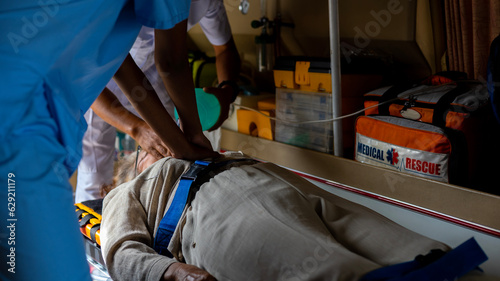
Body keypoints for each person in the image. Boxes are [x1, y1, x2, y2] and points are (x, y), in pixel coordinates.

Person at [0, 0, 218, 280]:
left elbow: (121, 66)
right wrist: (189, 139)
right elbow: (172, 61)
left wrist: (175, 141)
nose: (163, 156)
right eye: (159, 159)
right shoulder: (125, 199)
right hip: (17, 125)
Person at [100, 151, 494, 281]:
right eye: (144, 148)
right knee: (329, 270)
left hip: (271, 179)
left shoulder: (208, 151)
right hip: (207, 209)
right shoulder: (128, 188)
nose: (153, 144)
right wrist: (169, 272)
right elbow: (118, 253)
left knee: (419, 254)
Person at [75, 0, 240, 203]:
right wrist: (137, 129)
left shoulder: (202, 4)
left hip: (139, 70)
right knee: (92, 177)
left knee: (170, 147)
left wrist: (226, 92)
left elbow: (172, 60)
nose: (163, 155)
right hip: (87, 69)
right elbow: (91, 69)